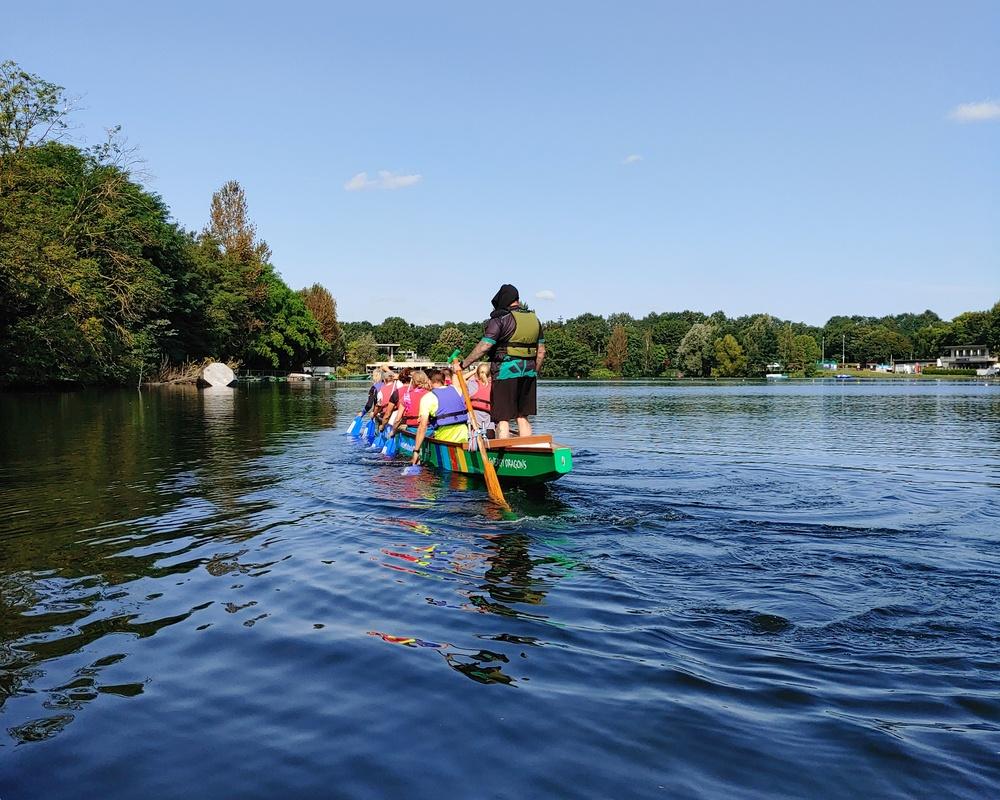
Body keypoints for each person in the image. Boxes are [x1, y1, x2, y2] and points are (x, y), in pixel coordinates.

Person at [457, 284, 545, 439]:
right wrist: (534, 372)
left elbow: (485, 346)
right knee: (522, 416)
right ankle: (528, 448)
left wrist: (464, 364)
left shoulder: (500, 319)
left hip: (506, 371)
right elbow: (541, 352)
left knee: (502, 418)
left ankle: (503, 454)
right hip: (529, 372)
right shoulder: (535, 320)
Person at [410, 369, 470, 465]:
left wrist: (416, 451)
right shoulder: (457, 389)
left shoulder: (427, 398)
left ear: (429, 381)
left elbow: (422, 427)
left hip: (444, 439)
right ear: (444, 380)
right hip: (464, 435)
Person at [465, 363, 494, 433]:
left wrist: (474, 370)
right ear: (489, 374)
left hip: (473, 424)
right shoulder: (493, 386)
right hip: (489, 425)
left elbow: (460, 379)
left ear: (477, 374)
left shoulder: (472, 384)